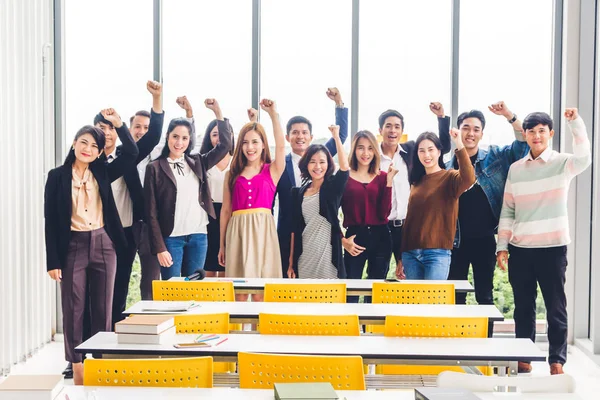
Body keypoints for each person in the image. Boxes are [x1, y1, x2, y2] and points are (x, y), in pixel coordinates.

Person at [44, 109, 138, 385]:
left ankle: (99, 361)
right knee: (73, 307)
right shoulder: (57, 176)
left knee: (103, 307)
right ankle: (77, 365)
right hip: (73, 245)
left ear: (99, 153)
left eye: (94, 146)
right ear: (74, 144)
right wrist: (53, 261)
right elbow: (50, 220)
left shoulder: (104, 173)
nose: (88, 148)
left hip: (104, 244)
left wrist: (120, 127)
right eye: (83, 142)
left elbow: (131, 154)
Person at [496, 108, 591, 375]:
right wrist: (502, 246)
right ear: (525, 135)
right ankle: (524, 357)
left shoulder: (562, 163)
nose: (536, 136)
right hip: (521, 249)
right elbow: (508, 211)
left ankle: (556, 360)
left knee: (555, 308)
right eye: (531, 131)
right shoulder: (516, 169)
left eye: (541, 131)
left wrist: (575, 123)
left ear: (550, 133)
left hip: (553, 248)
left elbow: (584, 158)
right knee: (523, 308)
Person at [344, 104, 450, 278]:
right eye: (388, 126)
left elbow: (441, 147)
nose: (392, 130)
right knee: (371, 277)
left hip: (406, 226)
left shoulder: (410, 152)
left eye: (397, 127)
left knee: (403, 275)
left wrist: (441, 118)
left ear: (402, 131)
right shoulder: (369, 156)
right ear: (380, 130)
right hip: (380, 226)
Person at [94, 81, 164, 324]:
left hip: (127, 230)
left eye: (111, 128)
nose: (107, 133)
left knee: (120, 285)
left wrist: (156, 98)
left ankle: (111, 340)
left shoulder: (127, 155)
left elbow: (154, 135)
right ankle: (86, 349)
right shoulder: (88, 162)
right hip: (96, 232)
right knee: (96, 290)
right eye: (101, 128)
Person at [446, 102, 529, 305]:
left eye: (476, 129)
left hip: (484, 239)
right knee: (455, 298)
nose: (470, 133)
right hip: (456, 241)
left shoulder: (495, 156)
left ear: (482, 134)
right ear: (458, 132)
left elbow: (522, 144)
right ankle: (457, 338)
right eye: (465, 128)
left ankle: (486, 338)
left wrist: (509, 115)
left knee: (485, 295)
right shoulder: (448, 165)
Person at [144, 99, 232, 279]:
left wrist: (218, 113)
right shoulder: (155, 167)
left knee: (194, 292)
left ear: (189, 140)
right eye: (175, 137)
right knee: (172, 293)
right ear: (168, 136)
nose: (179, 143)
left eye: (184, 138)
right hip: (171, 239)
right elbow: (150, 213)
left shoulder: (198, 162)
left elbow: (225, 146)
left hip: (198, 236)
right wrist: (160, 247)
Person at [274, 88, 348, 279]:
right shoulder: (279, 165)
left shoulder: (320, 156)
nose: (300, 136)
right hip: (288, 234)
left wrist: (339, 103)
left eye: (305, 132)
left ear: (311, 137)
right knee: (291, 282)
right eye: (295, 132)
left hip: (323, 241)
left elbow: (341, 137)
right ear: (287, 137)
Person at [219, 99, 286, 301]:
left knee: (260, 294)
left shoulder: (271, 171)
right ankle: (236, 333)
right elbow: (225, 210)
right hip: (237, 232)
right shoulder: (232, 174)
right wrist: (222, 245)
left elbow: (282, 147)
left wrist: (273, 114)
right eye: (246, 142)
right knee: (238, 294)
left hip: (263, 233)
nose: (250, 147)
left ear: (264, 145)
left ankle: (260, 332)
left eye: (255, 142)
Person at [396, 128, 475, 280]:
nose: (426, 155)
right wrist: (402, 255)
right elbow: (410, 221)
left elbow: (469, 177)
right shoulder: (416, 182)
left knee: (434, 303)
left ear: (439, 152)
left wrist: (458, 143)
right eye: (422, 151)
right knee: (414, 303)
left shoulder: (450, 178)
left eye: (431, 150)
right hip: (410, 254)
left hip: (437, 253)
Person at [341, 130, 397, 302]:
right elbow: (329, 212)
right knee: (351, 289)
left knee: (375, 291)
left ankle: (370, 329)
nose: (365, 153)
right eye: (360, 148)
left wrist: (388, 183)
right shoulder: (343, 177)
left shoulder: (382, 177)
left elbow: (384, 214)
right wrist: (342, 240)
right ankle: (349, 328)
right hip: (355, 237)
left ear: (375, 151)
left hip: (381, 237)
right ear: (354, 150)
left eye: (370, 148)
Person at [288, 124, 349, 279]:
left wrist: (336, 137)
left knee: (331, 299)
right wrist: (291, 263)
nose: (317, 166)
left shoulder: (332, 188)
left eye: (322, 162)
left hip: (328, 256)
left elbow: (344, 168)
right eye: (312, 162)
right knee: (306, 300)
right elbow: (294, 230)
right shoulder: (297, 193)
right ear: (306, 164)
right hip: (305, 256)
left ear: (328, 164)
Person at [199, 115, 235, 277]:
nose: (219, 138)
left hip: (231, 214)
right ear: (209, 138)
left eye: (223, 134)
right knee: (209, 266)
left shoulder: (238, 162)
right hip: (208, 215)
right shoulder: (204, 161)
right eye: (214, 134)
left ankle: (226, 302)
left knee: (227, 266)